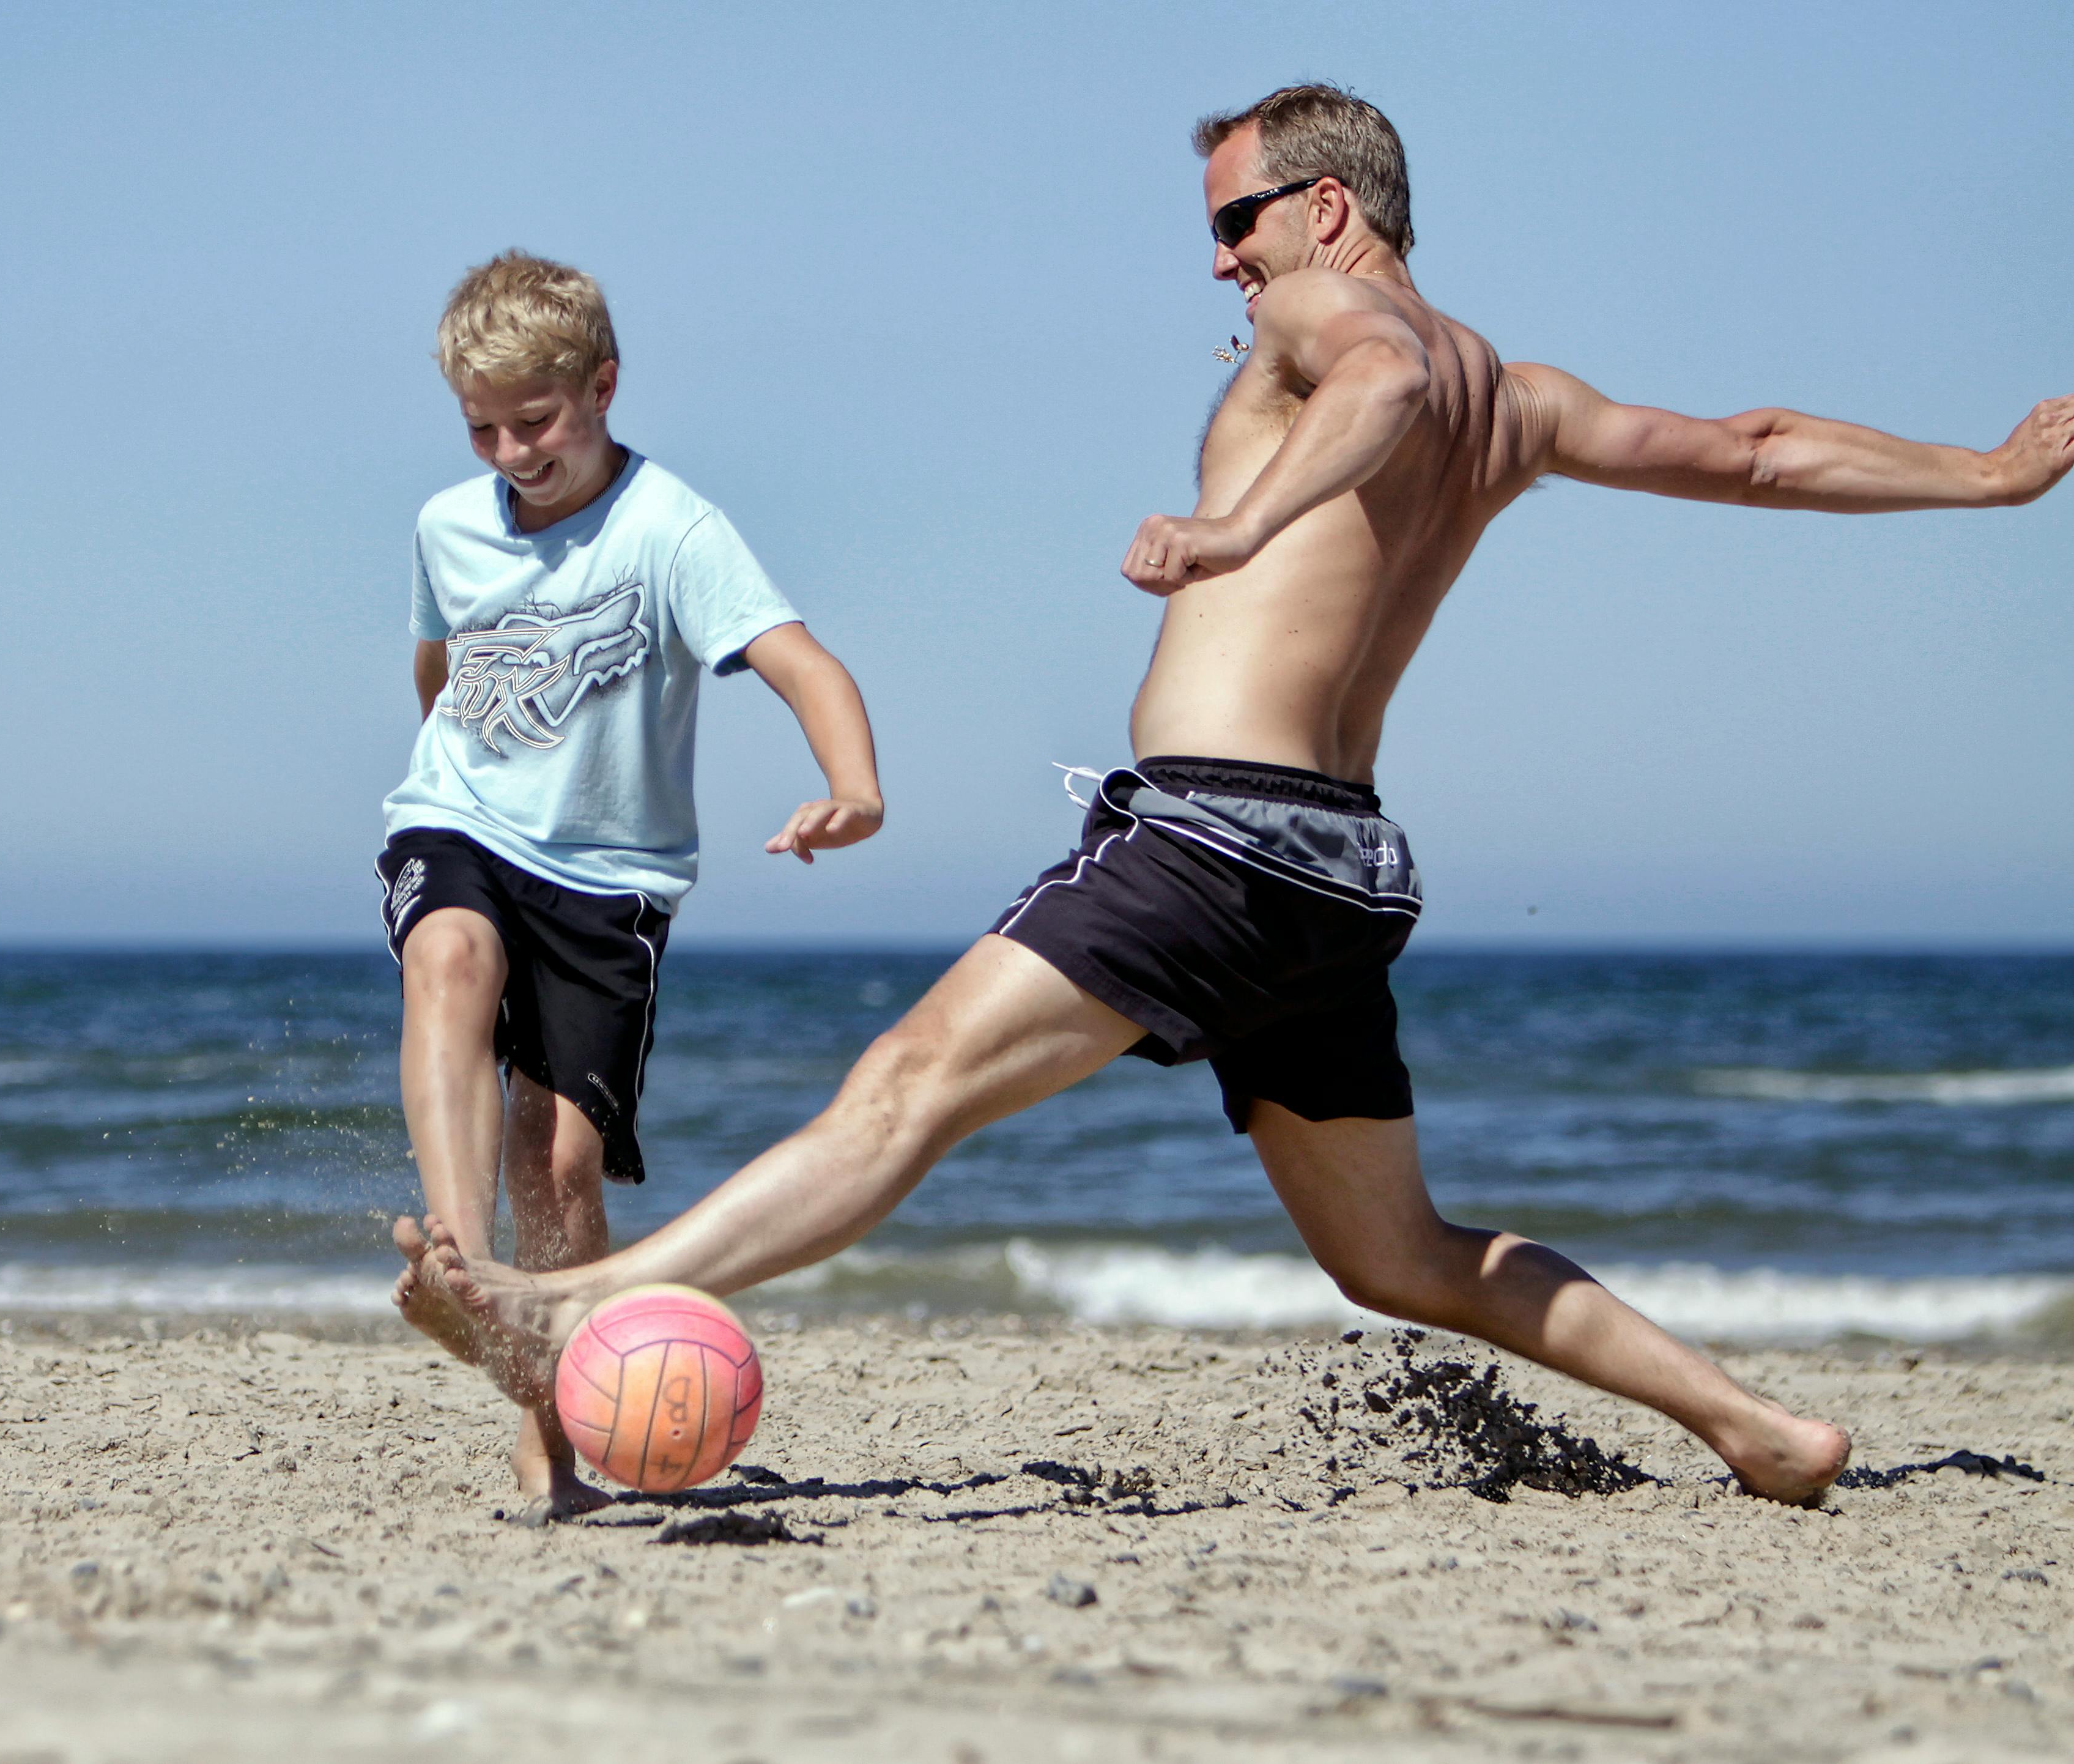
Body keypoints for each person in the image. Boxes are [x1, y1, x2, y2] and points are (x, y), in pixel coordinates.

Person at [392, 88, 2074, 1506]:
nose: (1223, 258)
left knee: (904, 1084)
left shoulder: (1334, 323)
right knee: (1395, 1253)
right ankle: (1754, 1426)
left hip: (1208, 835)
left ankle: (572, 1300)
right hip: (1339, 867)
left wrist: (1238, 524)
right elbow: (1758, 447)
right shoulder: (1526, 398)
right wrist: (1985, 479)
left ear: (1327, 205)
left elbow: (1378, 382)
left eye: (1238, 221)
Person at [379, 251, 886, 1519]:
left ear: (603, 385)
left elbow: (801, 660)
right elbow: (437, 672)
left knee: (559, 1161)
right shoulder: (445, 525)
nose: (510, 450)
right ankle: (463, 1259)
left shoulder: (670, 528)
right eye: (481, 426)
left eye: (535, 420)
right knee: (449, 957)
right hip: (459, 821)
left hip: (610, 881)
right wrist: (462, 775)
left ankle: (550, 1420)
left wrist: (853, 783)